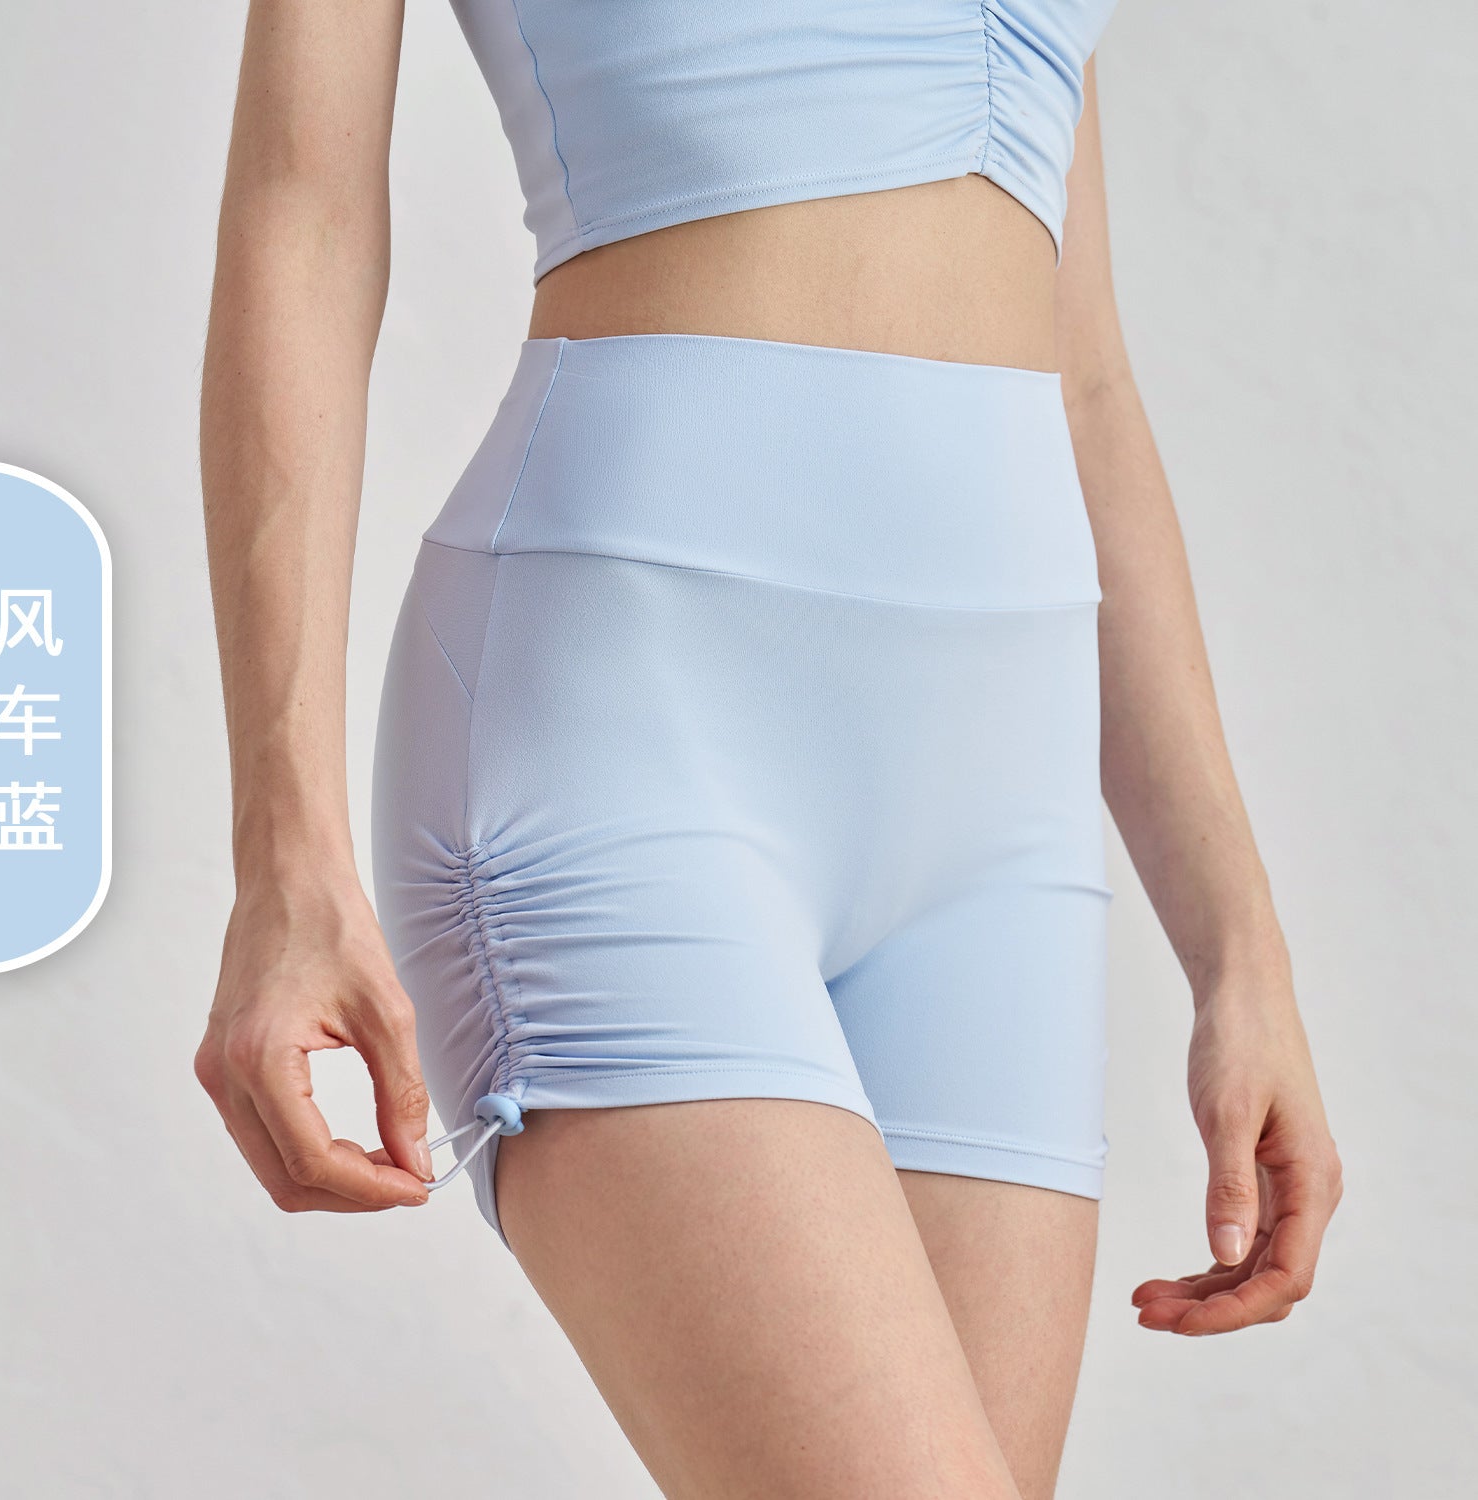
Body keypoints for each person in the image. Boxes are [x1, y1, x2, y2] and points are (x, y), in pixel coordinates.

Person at [193, 2, 1344, 1495]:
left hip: (1001, 827)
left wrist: (1244, 955)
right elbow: (304, 220)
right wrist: (285, 859)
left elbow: (1086, 385)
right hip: (629, 732)